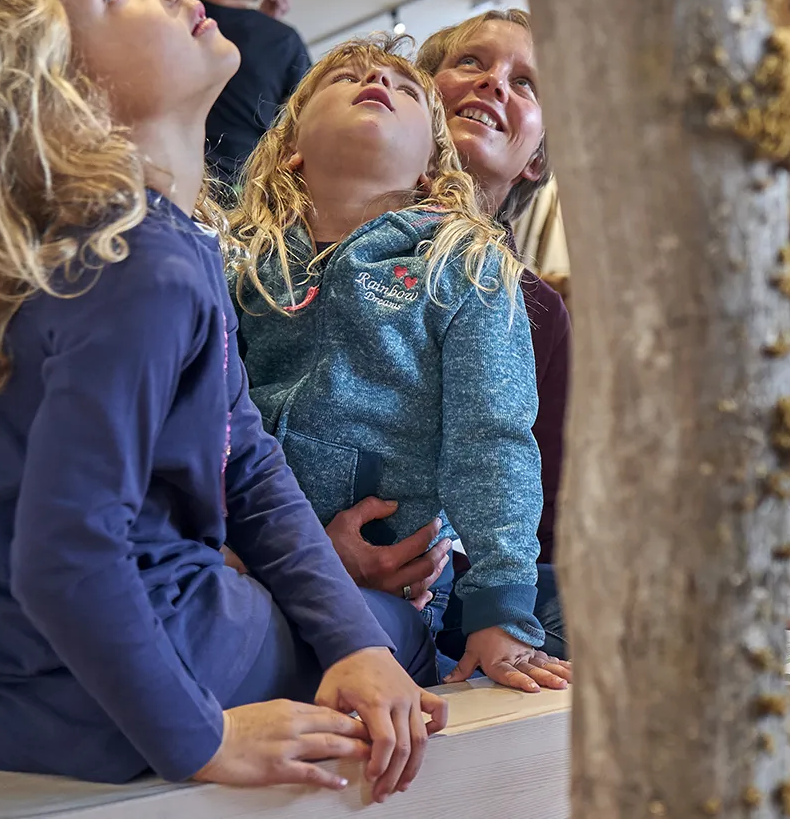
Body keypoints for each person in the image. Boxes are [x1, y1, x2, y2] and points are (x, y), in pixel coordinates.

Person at [0, 0, 444, 797]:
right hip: (137, 687)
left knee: (356, 629)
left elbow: (244, 463)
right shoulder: (142, 263)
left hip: (4, 702)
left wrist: (347, 641)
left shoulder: (90, 252)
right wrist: (204, 739)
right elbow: (66, 556)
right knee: (411, 630)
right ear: (53, 87)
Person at [229, 36, 571, 694]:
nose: (375, 82)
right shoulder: (241, 265)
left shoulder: (464, 268)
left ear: (430, 168)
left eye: (406, 89)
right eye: (343, 80)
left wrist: (500, 609)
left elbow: (491, 442)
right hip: (248, 557)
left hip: (398, 583)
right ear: (293, 147)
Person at [416, 9, 570, 660]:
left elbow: (547, 520)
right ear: (420, 92)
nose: (494, 84)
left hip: (478, 582)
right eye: (471, 62)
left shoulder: (535, 309)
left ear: (537, 157)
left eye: (526, 82)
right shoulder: (309, 253)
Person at [196, 0, 311, 194]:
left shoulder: (179, 18)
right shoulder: (283, 40)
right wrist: (266, 26)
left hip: (174, 174)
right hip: (244, 189)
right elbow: (305, 119)